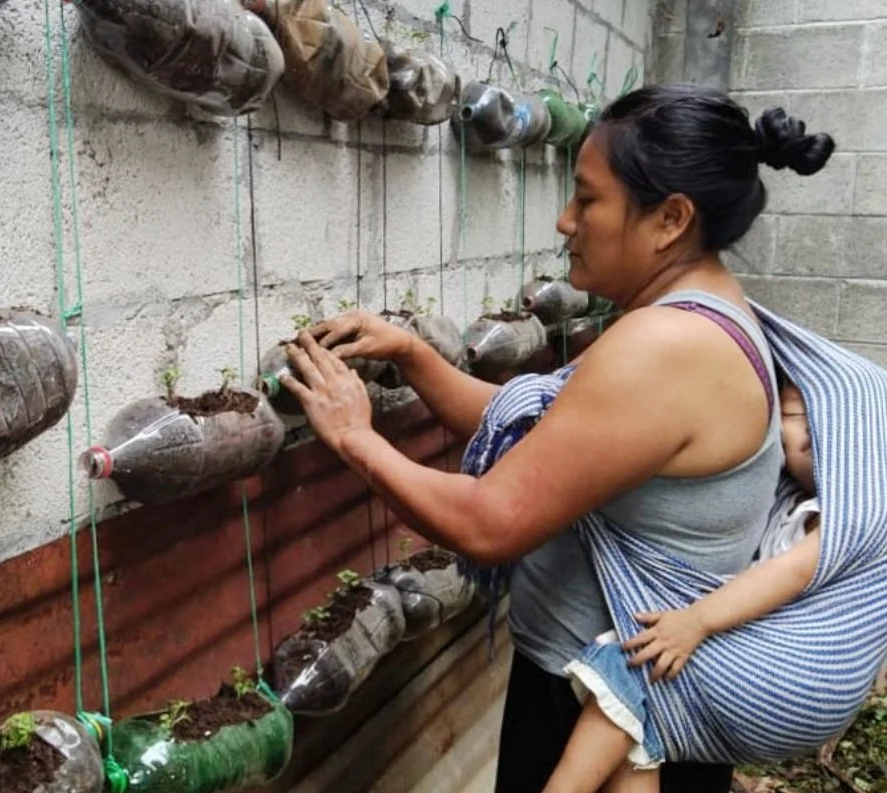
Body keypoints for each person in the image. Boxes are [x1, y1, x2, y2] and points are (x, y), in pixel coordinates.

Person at [275, 83, 835, 793]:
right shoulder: (699, 312)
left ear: (669, 218)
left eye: (588, 198)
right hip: (625, 695)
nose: (566, 221)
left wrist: (356, 436)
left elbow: (490, 521)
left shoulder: (666, 346)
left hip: (617, 720)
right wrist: (415, 356)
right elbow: (544, 437)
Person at [540, 376, 821, 793]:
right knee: (642, 723)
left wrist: (697, 621)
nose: (811, 434)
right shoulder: (786, 496)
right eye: (797, 418)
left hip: (766, 664)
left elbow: (792, 573)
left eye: (821, 420)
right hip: (742, 658)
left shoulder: (842, 518)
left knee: (629, 663)